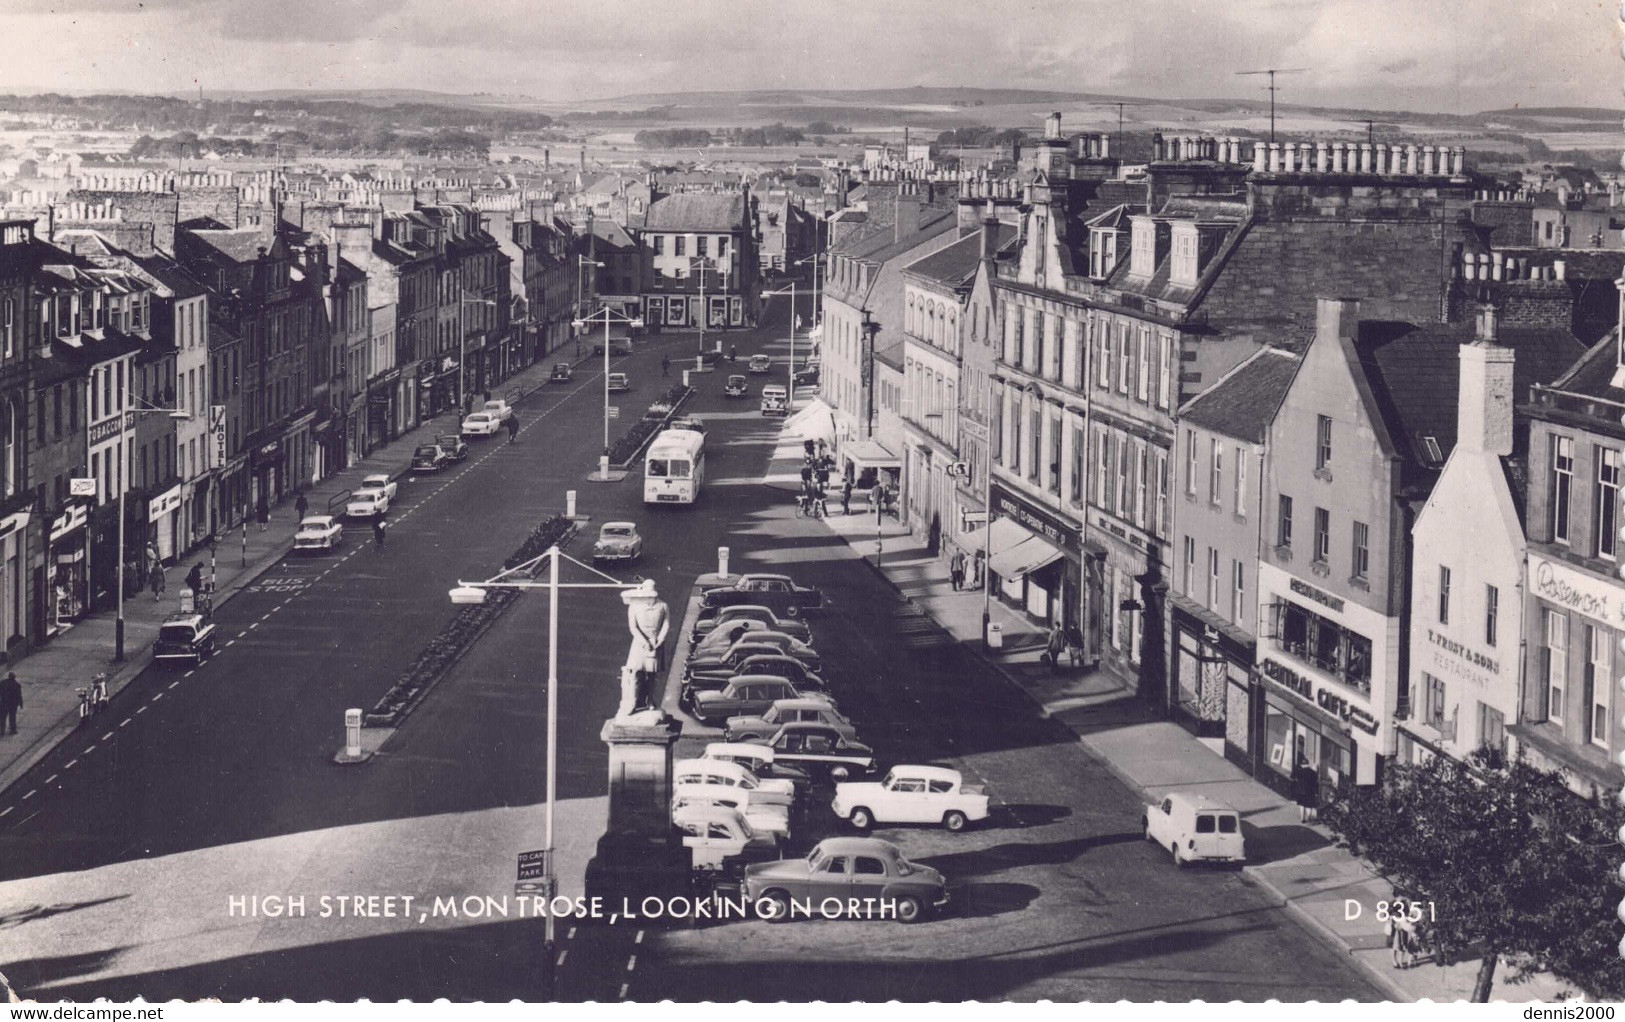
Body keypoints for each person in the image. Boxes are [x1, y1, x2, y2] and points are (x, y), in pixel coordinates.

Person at [1291, 752, 1320, 823]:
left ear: (1302, 765)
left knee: (1302, 805)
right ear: (1308, 764)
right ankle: (1309, 817)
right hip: (1310, 791)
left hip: (1300, 791)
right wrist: (1316, 792)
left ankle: (1302, 818)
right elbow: (1315, 783)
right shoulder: (1313, 772)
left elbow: (1292, 777)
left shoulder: (1299, 771)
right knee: (1309, 805)